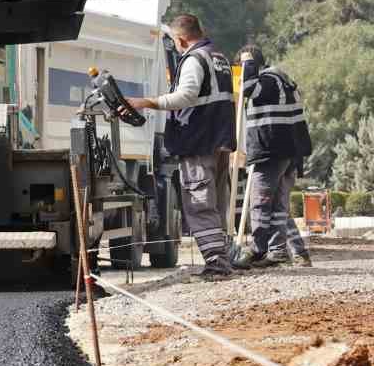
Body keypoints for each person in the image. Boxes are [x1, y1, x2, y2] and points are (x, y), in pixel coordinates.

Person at [128, 14, 236, 280]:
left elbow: (186, 95)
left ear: (180, 39)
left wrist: (146, 102)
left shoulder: (194, 59)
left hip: (199, 142)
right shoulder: (217, 57)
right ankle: (223, 259)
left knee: (199, 204)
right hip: (219, 140)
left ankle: (216, 265)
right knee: (215, 204)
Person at [236, 45, 314, 268]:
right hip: (289, 152)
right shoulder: (284, 82)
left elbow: (248, 88)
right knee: (279, 208)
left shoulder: (267, 82)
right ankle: (282, 251)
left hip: (272, 151)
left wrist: (247, 62)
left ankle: (257, 250)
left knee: (260, 203)